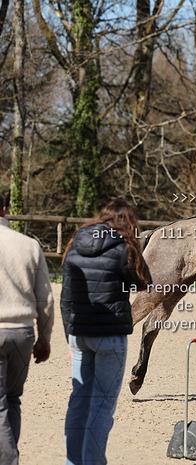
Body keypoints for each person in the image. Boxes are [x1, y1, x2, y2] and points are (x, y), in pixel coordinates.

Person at [61, 198, 151, 465]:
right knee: (101, 405)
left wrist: (70, 337)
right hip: (110, 335)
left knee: (78, 400)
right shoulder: (124, 248)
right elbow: (145, 282)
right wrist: (136, 247)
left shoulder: (74, 244)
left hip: (79, 334)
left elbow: (66, 299)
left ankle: (73, 462)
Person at [0, 192, 54, 465]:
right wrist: (45, 338)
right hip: (22, 332)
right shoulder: (29, 245)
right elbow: (45, 299)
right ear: (5, 209)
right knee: (13, 399)